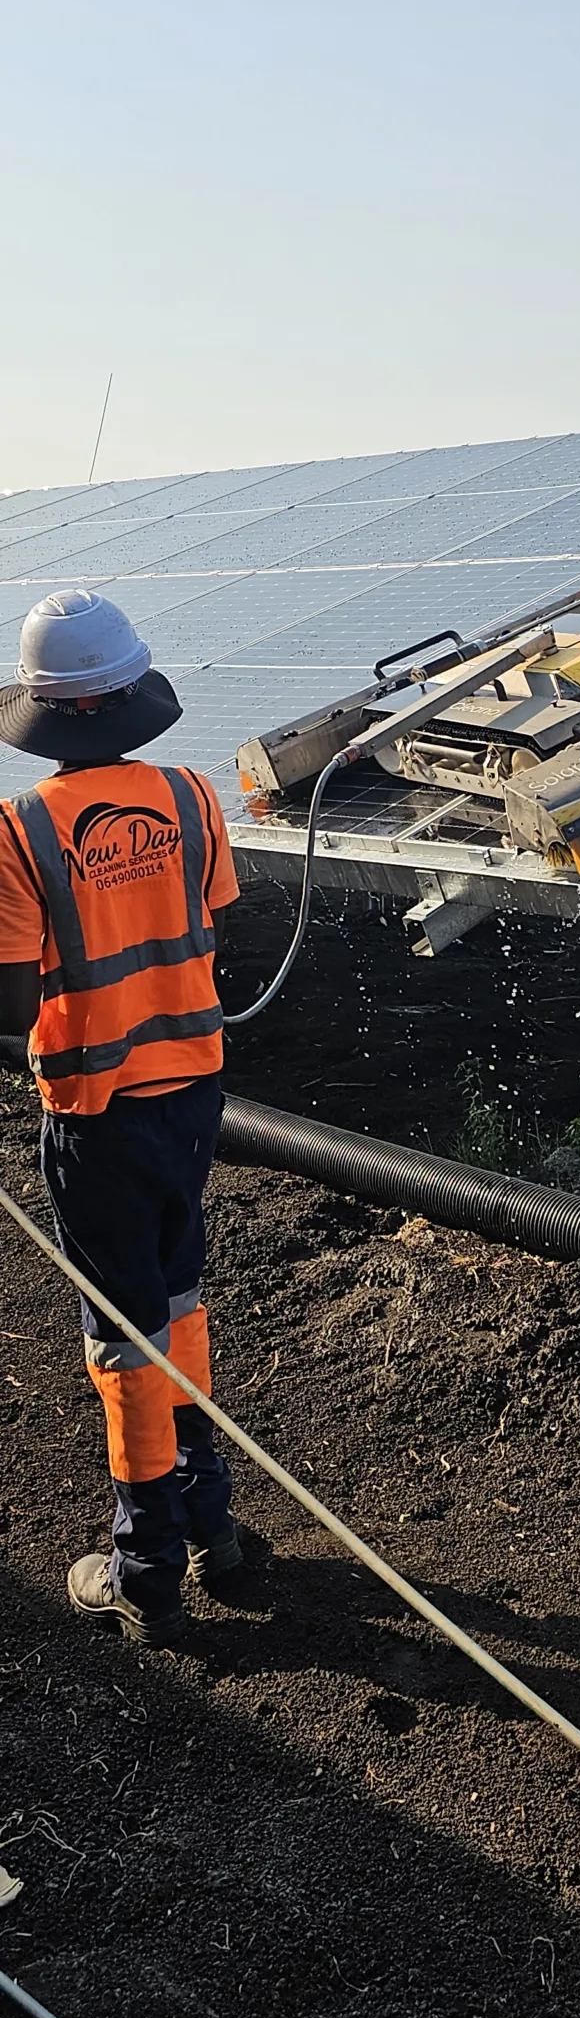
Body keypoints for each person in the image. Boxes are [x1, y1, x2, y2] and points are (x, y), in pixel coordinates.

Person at [0, 589, 241, 1649]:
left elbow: (10, 1002)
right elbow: (210, 913)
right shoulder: (192, 796)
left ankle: (145, 1563)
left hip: (95, 1114)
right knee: (177, 1289)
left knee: (122, 1330)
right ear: (131, 691)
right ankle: (211, 1516)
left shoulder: (21, 830)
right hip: (192, 1095)